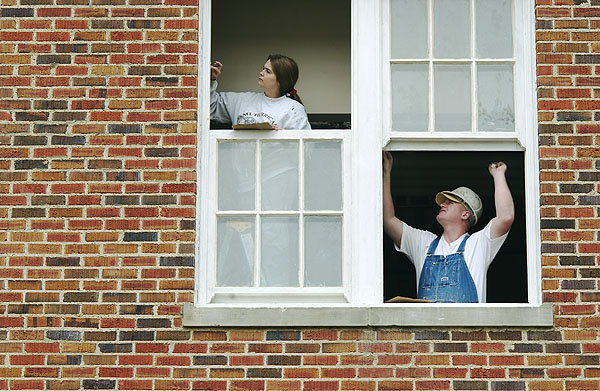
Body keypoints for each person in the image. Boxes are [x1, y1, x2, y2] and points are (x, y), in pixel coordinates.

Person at [382, 151, 514, 303]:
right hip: (427, 327)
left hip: (466, 326)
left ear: (465, 214)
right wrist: (386, 173)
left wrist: (498, 175)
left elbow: (506, 217)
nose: (442, 204)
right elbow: (388, 219)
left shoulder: (478, 244)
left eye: (450, 202)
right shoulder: (424, 243)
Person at [210, 54, 311, 130]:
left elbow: (306, 148)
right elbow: (210, 107)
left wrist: (285, 139)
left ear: (280, 80)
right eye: (263, 69)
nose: (261, 73)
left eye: (268, 71)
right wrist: (211, 80)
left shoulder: (294, 109)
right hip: (241, 158)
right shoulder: (241, 100)